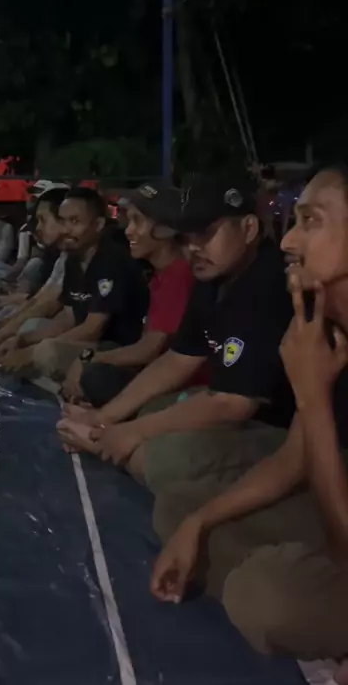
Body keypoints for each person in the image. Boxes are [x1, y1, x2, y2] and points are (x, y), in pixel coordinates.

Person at [150, 163, 348, 669]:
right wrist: (201, 521)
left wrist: (312, 395)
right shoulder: (324, 323)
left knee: (267, 598)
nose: (289, 241)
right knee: (179, 511)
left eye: (311, 221)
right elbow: (296, 458)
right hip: (333, 499)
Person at [78, 171, 295, 495]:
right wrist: (103, 419)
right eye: (186, 236)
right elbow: (178, 359)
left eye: (205, 232)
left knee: (161, 459)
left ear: (249, 229)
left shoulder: (269, 283)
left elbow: (233, 405)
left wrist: (126, 434)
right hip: (226, 408)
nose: (193, 246)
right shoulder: (214, 276)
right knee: (147, 414)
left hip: (279, 431)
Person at [58, 183, 197, 446]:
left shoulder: (179, 275)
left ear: (165, 229)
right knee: (100, 370)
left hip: (184, 389)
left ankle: (116, 424)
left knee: (97, 376)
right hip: (160, 376)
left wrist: (88, 358)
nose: (128, 230)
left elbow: (149, 350)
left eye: (137, 221)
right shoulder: (162, 273)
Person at [3, 186, 148, 380]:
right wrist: (21, 340)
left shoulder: (111, 260)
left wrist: (32, 352)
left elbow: (92, 330)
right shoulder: (74, 258)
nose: (65, 230)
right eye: (63, 221)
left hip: (115, 348)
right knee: (29, 334)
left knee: (47, 353)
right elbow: (68, 318)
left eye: (75, 221)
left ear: (98, 225)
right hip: (89, 343)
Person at [0, 187, 68, 366]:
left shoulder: (89, 257)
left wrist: (4, 337)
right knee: (10, 316)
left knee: (29, 328)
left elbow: (49, 305)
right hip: (59, 322)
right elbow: (40, 298)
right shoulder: (64, 256)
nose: (38, 227)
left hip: (86, 345)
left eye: (43, 220)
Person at [0, 180, 68, 293]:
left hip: (38, 270)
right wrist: (8, 279)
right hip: (28, 272)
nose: (31, 198)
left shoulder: (72, 257)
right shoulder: (26, 229)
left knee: (35, 263)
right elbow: (21, 260)